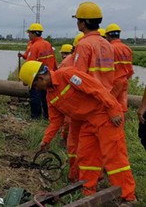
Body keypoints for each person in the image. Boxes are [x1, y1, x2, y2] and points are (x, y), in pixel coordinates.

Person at [19, 61, 136, 203]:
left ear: (40, 78)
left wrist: (112, 109)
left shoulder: (67, 75)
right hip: (87, 122)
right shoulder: (51, 96)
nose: (37, 89)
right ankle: (88, 190)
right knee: (86, 157)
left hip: (106, 117)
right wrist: (46, 140)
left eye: (36, 86)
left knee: (114, 157)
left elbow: (95, 88)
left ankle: (128, 196)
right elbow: (55, 121)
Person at [66, 2, 115, 182]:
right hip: (106, 101)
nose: (77, 23)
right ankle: (98, 175)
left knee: (81, 143)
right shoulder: (107, 44)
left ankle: (80, 179)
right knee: (99, 144)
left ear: (83, 23)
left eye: (78, 20)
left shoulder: (84, 45)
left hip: (88, 103)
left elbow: (78, 78)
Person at [18, 22, 57, 119]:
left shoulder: (34, 46)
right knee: (46, 98)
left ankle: (35, 117)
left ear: (34, 33)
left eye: (29, 33)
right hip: (49, 76)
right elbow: (54, 59)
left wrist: (26, 80)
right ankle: (47, 116)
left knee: (35, 96)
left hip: (37, 78)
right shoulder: (47, 44)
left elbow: (30, 65)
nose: (28, 35)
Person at [105, 23, 134, 113]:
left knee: (110, 106)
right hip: (124, 80)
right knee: (122, 107)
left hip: (114, 82)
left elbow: (106, 69)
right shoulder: (127, 48)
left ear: (108, 36)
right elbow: (130, 69)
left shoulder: (110, 48)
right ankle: (122, 126)